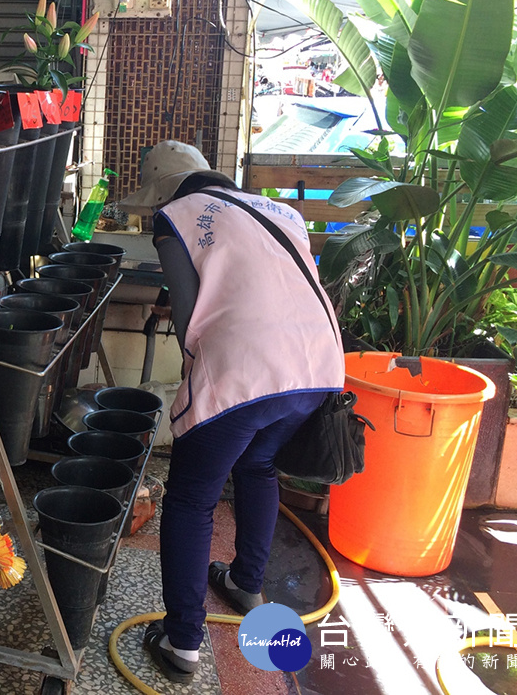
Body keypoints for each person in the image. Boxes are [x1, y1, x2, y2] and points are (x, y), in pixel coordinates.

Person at [119, 141, 343, 682]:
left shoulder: (177, 216)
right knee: (259, 466)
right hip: (319, 365)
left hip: (246, 370)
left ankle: (182, 644)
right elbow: (271, 286)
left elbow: (193, 314)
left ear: (165, 192)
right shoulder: (281, 211)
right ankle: (245, 583)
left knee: (192, 499)